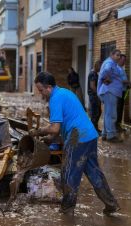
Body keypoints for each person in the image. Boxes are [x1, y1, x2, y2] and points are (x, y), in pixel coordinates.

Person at [30, 72, 120, 216]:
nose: (41, 94)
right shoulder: (65, 92)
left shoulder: (55, 99)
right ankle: (111, 204)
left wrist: (38, 131)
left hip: (77, 138)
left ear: (48, 88)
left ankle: (67, 209)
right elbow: (62, 126)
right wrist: (50, 139)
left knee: (69, 173)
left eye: (41, 90)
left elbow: (55, 128)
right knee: (94, 171)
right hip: (89, 135)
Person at [98, 49, 123, 143]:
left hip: (109, 91)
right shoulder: (110, 63)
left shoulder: (110, 62)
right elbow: (106, 71)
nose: (119, 57)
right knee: (111, 114)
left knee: (107, 114)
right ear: (111, 55)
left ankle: (105, 133)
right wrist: (105, 78)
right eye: (117, 55)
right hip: (110, 91)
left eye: (119, 55)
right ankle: (111, 135)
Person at [116, 54, 131, 130]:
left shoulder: (121, 69)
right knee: (118, 109)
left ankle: (118, 125)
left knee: (120, 109)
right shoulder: (117, 69)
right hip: (118, 92)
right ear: (119, 59)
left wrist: (128, 85)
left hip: (123, 91)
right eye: (123, 60)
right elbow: (120, 80)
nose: (124, 62)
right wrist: (129, 82)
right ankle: (116, 126)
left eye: (125, 60)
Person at [88, 60, 102, 132]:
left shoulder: (95, 73)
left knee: (98, 112)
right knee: (95, 113)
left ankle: (95, 128)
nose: (101, 69)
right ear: (97, 66)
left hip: (95, 96)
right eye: (100, 67)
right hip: (94, 96)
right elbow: (92, 86)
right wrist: (98, 94)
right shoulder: (93, 73)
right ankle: (93, 129)